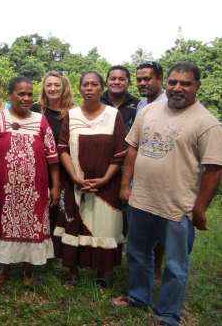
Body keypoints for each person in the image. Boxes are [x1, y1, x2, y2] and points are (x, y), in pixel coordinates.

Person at [113, 62, 222, 326]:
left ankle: (167, 314)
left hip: (177, 208)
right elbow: (132, 149)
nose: (177, 88)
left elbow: (215, 169)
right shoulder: (148, 111)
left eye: (185, 83)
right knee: (138, 254)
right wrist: (126, 185)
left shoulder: (207, 123)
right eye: (173, 82)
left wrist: (199, 209)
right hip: (141, 200)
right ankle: (138, 297)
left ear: (197, 86)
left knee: (175, 266)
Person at [0, 76, 60, 286]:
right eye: (20, 93)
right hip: (5, 192)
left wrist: (56, 186)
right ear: (10, 95)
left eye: (29, 94)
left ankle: (28, 271)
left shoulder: (40, 121)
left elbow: (52, 158)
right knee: (7, 227)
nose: (25, 98)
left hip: (36, 191)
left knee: (32, 227)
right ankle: (5, 269)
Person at [54, 71, 127, 287]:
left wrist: (105, 179)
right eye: (85, 84)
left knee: (105, 226)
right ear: (79, 88)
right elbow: (63, 147)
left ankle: (103, 272)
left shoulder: (114, 115)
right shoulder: (72, 115)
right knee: (74, 226)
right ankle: (73, 272)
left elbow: (120, 152)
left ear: (101, 88)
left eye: (94, 84)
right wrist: (75, 177)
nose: (89, 88)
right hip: (75, 185)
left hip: (107, 186)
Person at [31, 71, 76, 252]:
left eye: (57, 85)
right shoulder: (35, 109)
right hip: (39, 167)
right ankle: (39, 247)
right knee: (40, 207)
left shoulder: (73, 112)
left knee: (60, 208)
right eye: (48, 85)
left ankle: (59, 250)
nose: (52, 88)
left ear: (64, 87)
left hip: (64, 167)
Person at [134, 60, 166, 281]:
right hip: (141, 175)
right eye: (139, 80)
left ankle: (156, 269)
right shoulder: (141, 105)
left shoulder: (170, 102)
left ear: (159, 79)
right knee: (142, 228)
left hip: (165, 178)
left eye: (148, 79)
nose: (143, 83)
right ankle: (144, 271)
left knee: (162, 227)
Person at [101, 65, 139, 131]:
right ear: (106, 82)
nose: (117, 82)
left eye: (121, 79)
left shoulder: (138, 105)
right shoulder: (96, 103)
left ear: (129, 83)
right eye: (112, 79)